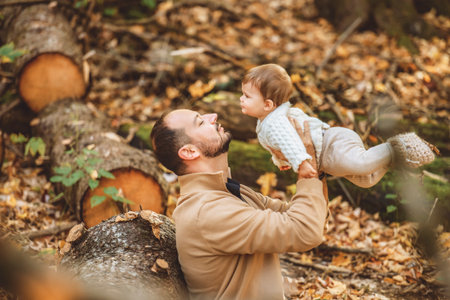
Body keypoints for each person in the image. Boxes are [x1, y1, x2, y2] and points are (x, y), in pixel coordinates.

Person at [150, 109, 328, 300]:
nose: (213, 116)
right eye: (200, 122)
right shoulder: (208, 211)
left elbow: (313, 216)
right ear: (189, 151)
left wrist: (315, 164)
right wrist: (306, 166)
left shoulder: (225, 192)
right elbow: (306, 230)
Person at [240, 63, 436, 187]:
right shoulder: (268, 120)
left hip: (330, 146)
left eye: (246, 96)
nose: (241, 99)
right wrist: (283, 162)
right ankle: (391, 158)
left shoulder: (274, 122)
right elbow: (281, 146)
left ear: (268, 105)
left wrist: (300, 163)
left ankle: (400, 146)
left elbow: (290, 141)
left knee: (362, 163)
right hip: (329, 153)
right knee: (367, 179)